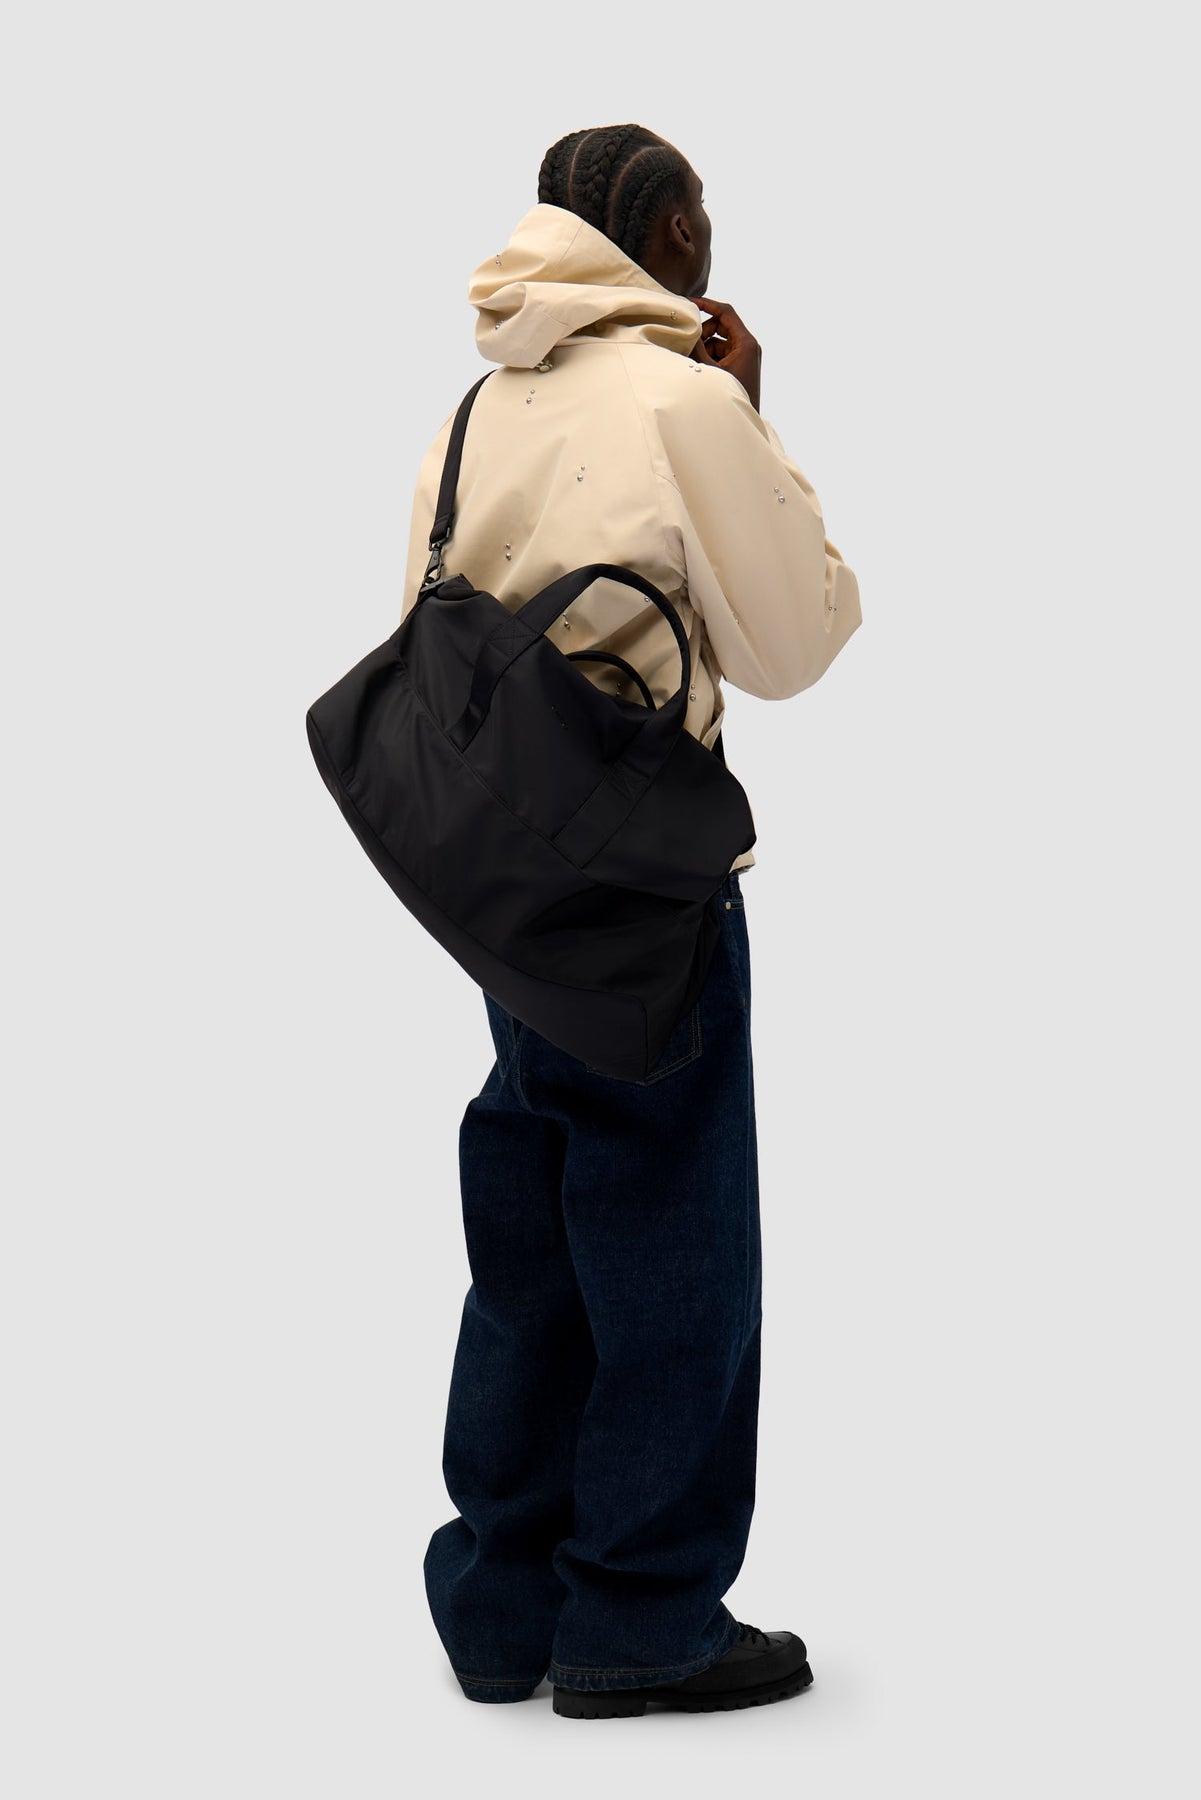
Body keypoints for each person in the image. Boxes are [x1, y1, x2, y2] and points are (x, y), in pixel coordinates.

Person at [399, 124, 862, 1719]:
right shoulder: (682, 402)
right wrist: (753, 419)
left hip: (497, 879)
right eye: (700, 214)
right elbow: (795, 641)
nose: (708, 237)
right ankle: (642, 1617)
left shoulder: (478, 404)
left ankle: (501, 1605)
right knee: (672, 1233)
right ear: (665, 231)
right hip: (641, 876)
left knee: (530, 1233)